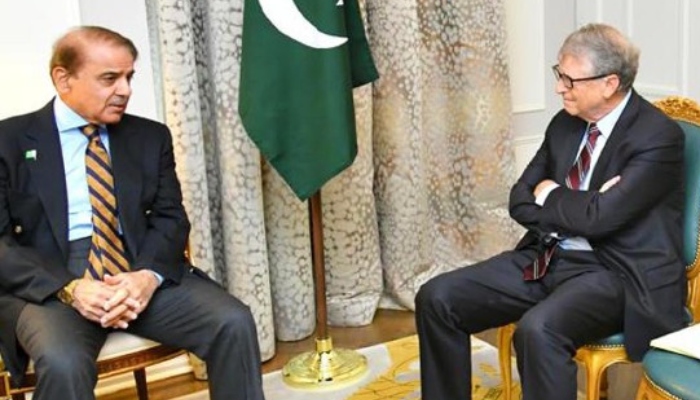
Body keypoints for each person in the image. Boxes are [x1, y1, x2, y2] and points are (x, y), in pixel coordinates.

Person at [416, 23, 687, 400]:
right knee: (437, 297)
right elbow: (519, 199)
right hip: (547, 256)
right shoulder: (565, 123)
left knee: (538, 330)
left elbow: (601, 220)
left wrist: (552, 193)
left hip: (616, 271)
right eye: (558, 74)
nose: (559, 87)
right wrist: (584, 204)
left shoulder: (657, 136)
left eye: (569, 80)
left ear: (609, 84)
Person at [0, 26, 265, 400]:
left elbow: (171, 219)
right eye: (110, 78)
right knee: (63, 363)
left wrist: (147, 277)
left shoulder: (150, 137)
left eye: (129, 77)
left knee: (232, 322)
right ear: (63, 78)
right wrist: (71, 288)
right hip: (51, 287)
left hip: (135, 270)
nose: (124, 90)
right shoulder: (8, 141)